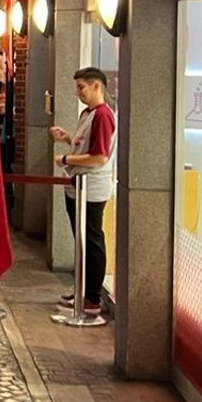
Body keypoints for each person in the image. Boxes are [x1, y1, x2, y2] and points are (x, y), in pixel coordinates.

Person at [50, 66, 117, 316]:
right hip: (77, 185)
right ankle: (83, 289)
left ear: (96, 85)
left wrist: (66, 159)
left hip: (91, 187)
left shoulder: (103, 116)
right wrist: (69, 139)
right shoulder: (88, 114)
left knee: (91, 240)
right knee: (82, 240)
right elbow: (86, 147)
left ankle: (92, 297)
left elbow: (99, 156)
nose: (78, 93)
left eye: (81, 87)